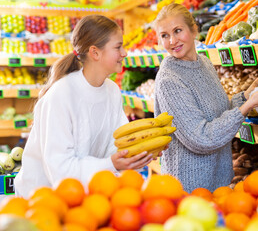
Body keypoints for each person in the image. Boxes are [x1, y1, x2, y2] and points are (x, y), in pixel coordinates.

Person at [15, 15, 154, 198]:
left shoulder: (112, 91)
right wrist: (111, 164)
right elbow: (60, 170)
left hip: (85, 194)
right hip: (42, 199)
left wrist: (140, 150)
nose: (124, 53)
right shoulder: (61, 95)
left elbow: (117, 144)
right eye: (118, 47)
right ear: (95, 52)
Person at [153, 3, 258, 193]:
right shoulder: (169, 81)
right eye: (164, 35)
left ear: (194, 30)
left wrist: (247, 95)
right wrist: (248, 106)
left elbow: (219, 113)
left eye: (178, 31)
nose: (172, 40)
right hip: (189, 188)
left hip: (219, 181)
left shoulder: (203, 62)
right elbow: (200, 138)